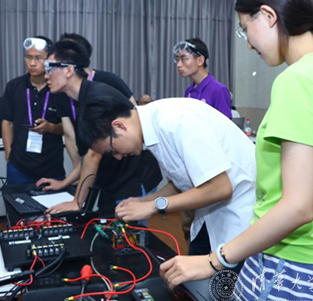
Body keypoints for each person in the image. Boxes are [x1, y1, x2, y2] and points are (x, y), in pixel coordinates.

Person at [160, 0, 313, 301]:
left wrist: (212, 261)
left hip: (288, 264)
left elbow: (298, 207)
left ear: (269, 16)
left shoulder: (297, 81)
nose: (248, 43)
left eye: (246, 28)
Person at [77, 97, 256, 257]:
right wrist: (144, 200)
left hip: (241, 221)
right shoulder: (151, 130)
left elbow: (220, 188)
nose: (117, 157)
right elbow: (183, 182)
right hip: (209, 220)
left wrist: (153, 206)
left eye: (112, 150)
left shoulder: (176, 121)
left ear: (119, 126)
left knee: (223, 282)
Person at [39, 40, 162, 217]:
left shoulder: (97, 97)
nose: (46, 76)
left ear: (69, 70)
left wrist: (77, 202)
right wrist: (65, 182)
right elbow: (90, 153)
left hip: (133, 180)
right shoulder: (82, 97)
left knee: (127, 233)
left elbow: (93, 155)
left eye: (50, 69)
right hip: (112, 180)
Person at [0, 36, 66, 185]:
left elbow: (70, 128)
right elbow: (7, 122)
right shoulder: (14, 86)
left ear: (50, 60)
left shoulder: (59, 88)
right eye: (29, 57)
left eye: (38, 58)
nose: (32, 63)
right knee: (16, 200)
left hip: (52, 167)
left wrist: (52, 127)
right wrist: (8, 154)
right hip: (18, 167)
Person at [174, 38, 232, 118]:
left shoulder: (218, 90)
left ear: (200, 60)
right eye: (177, 59)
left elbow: (225, 124)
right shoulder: (189, 91)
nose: (178, 64)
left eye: (184, 59)